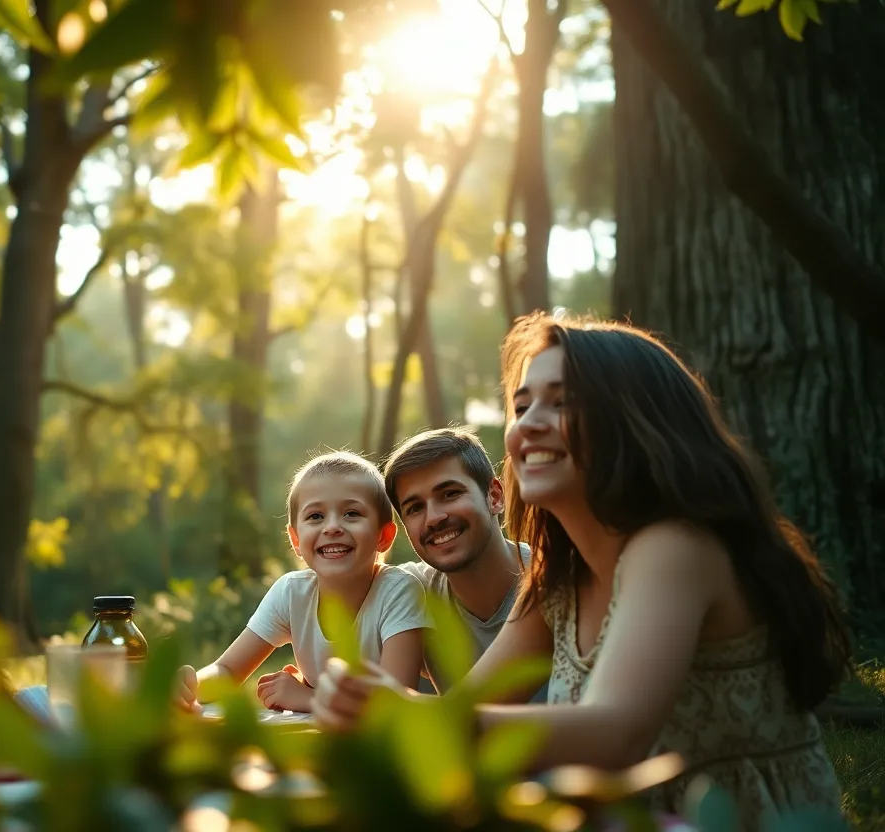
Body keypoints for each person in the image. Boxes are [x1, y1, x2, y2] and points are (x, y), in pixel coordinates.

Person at [312, 313, 849, 827]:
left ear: (637, 417)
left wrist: (412, 715)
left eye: (563, 402)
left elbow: (616, 734)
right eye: (522, 407)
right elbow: (465, 715)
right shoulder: (556, 580)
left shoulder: (674, 548)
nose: (530, 425)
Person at [175, 451, 430, 714]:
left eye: (351, 513)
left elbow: (396, 708)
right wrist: (189, 687)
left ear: (384, 535)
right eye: (316, 516)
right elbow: (226, 669)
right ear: (296, 540)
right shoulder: (292, 593)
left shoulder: (399, 591)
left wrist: (308, 699)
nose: (332, 527)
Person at [384, 427, 533, 692]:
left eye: (450, 493)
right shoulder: (411, 592)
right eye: (415, 508)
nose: (433, 518)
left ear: (495, 497)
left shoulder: (555, 577)